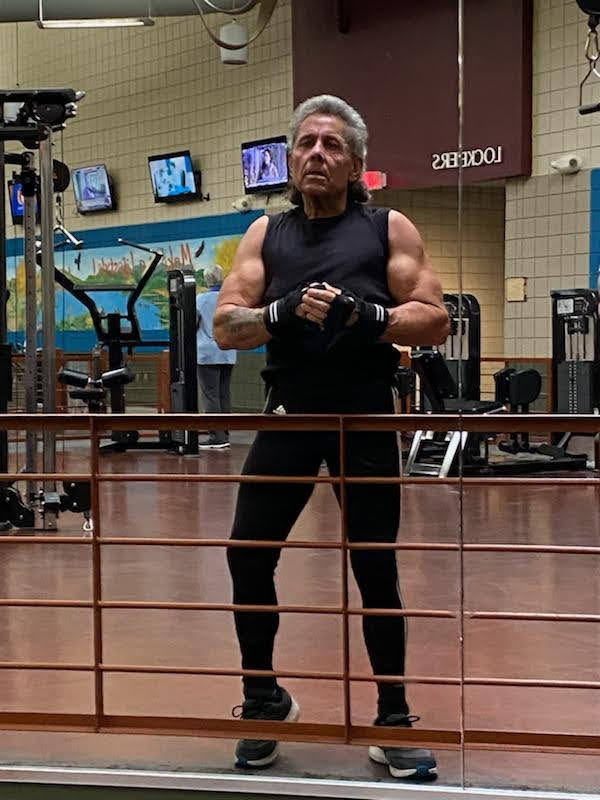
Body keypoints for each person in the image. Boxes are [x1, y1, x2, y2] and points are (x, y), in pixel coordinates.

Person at [214, 94, 449, 780]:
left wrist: (369, 317)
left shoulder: (385, 228)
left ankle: (392, 719)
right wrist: (281, 312)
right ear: (291, 159)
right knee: (246, 555)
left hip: (364, 417)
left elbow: (434, 319)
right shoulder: (266, 234)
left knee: (375, 567)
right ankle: (264, 699)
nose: (316, 153)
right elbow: (226, 325)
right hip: (290, 414)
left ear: (356, 165)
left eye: (332, 145)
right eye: (306, 143)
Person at [196, 264, 237, 449]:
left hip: (207, 353)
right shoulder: (230, 298)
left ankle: (216, 437)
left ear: (207, 280)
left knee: (210, 395)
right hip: (228, 351)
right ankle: (225, 433)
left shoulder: (201, 300)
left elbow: (192, 323)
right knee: (224, 394)